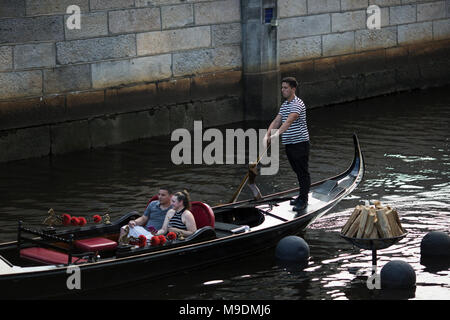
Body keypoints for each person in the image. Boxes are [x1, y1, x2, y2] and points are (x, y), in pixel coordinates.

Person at [263, 77, 311, 212]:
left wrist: (275, 135)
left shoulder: (297, 104)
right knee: (297, 171)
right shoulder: (284, 105)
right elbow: (277, 121)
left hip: (300, 143)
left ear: (293, 89)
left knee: (302, 172)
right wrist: (268, 135)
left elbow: (289, 121)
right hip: (289, 144)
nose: (282, 90)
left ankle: (303, 200)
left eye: (285, 88)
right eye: (282, 88)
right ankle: (301, 196)